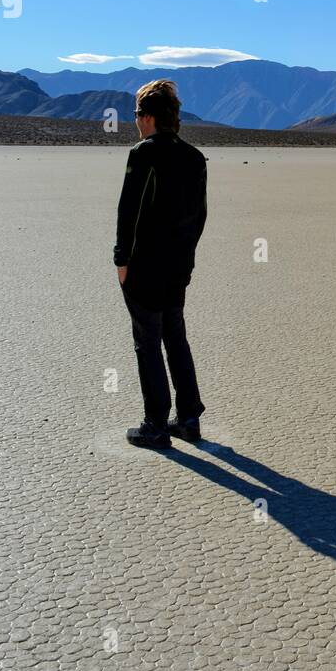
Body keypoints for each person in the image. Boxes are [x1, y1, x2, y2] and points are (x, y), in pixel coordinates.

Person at [113, 79, 208, 449]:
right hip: (178, 268)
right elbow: (200, 216)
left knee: (147, 342)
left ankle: (155, 423)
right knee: (176, 339)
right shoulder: (194, 157)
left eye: (137, 114)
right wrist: (186, 259)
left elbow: (129, 213)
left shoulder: (144, 154)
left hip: (145, 269)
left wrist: (122, 260)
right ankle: (188, 419)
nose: (136, 121)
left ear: (148, 117)